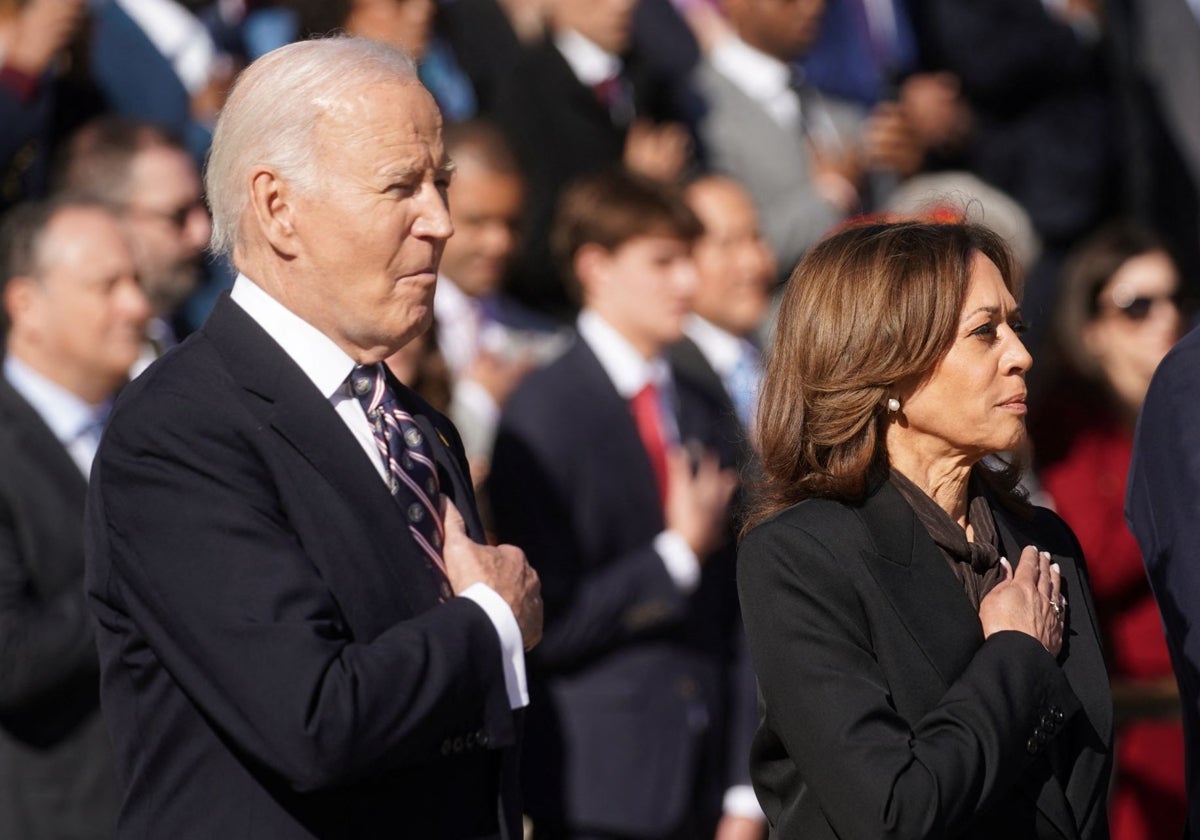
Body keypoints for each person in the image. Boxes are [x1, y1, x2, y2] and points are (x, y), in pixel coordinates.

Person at [84, 36, 541, 839]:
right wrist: (490, 620)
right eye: (401, 186)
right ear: (277, 208)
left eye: (439, 185)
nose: (439, 222)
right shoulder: (180, 431)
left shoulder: (414, 425)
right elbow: (312, 719)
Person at [738, 220, 1112, 838]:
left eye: (1014, 327)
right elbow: (889, 811)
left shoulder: (1042, 541)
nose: (1021, 354)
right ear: (886, 367)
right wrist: (1016, 654)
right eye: (984, 332)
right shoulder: (801, 555)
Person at [488, 169, 753, 839]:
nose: (687, 283)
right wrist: (675, 557)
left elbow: (739, 611)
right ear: (595, 266)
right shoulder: (542, 414)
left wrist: (746, 790)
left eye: (687, 260)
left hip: (709, 780)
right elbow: (543, 622)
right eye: (662, 262)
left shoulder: (701, 403)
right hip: (597, 793)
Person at [0, 197, 149, 838]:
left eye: (136, 281)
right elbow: (10, 659)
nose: (136, 307)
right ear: (25, 304)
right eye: (106, 286)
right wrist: (148, 564)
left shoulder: (146, 431)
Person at [1032, 223, 1185, 840]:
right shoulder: (1070, 428)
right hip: (1127, 729)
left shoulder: (1184, 412)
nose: (1166, 318)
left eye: (1175, 297)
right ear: (1091, 330)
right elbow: (1090, 554)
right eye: (1137, 306)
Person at [56, 116, 213, 362]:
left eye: (204, 207)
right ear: (106, 219)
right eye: (178, 216)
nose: (202, 233)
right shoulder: (70, 361)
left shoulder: (194, 333)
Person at [671, 173, 774, 441]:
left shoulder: (775, 358)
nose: (753, 263)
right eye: (727, 244)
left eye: (757, 238)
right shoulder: (670, 379)